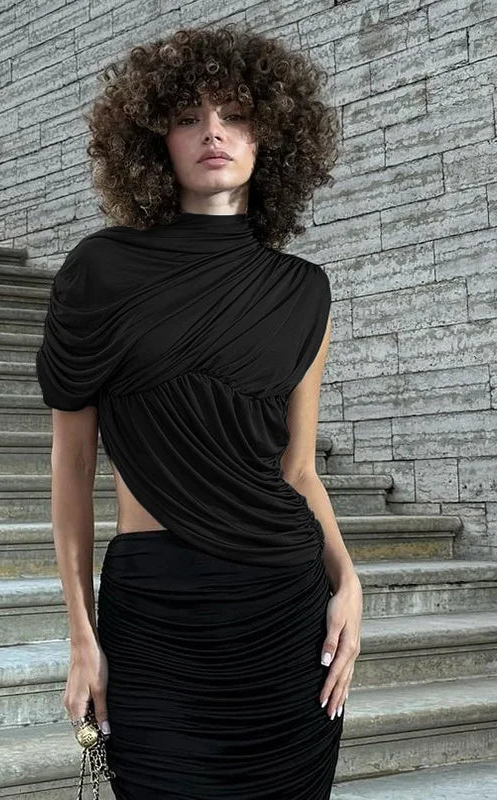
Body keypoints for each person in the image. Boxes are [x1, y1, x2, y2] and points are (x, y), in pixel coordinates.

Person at [35, 22, 363, 800]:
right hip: (157, 612)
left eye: (235, 115)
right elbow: (71, 469)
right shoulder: (101, 270)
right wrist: (81, 635)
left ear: (270, 136)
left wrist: (349, 581)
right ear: (154, 140)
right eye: (189, 117)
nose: (213, 132)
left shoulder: (303, 291)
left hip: (285, 609)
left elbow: (299, 469)